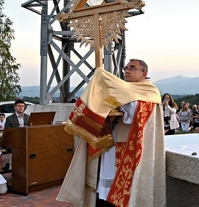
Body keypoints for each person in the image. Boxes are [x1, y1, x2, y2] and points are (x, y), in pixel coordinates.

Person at [57, 59, 165, 206]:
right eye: (126, 68)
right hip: (110, 143)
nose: (127, 70)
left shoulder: (150, 91)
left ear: (144, 73)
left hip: (130, 148)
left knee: (122, 192)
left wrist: (106, 82)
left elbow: (135, 112)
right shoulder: (123, 89)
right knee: (103, 190)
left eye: (132, 68)